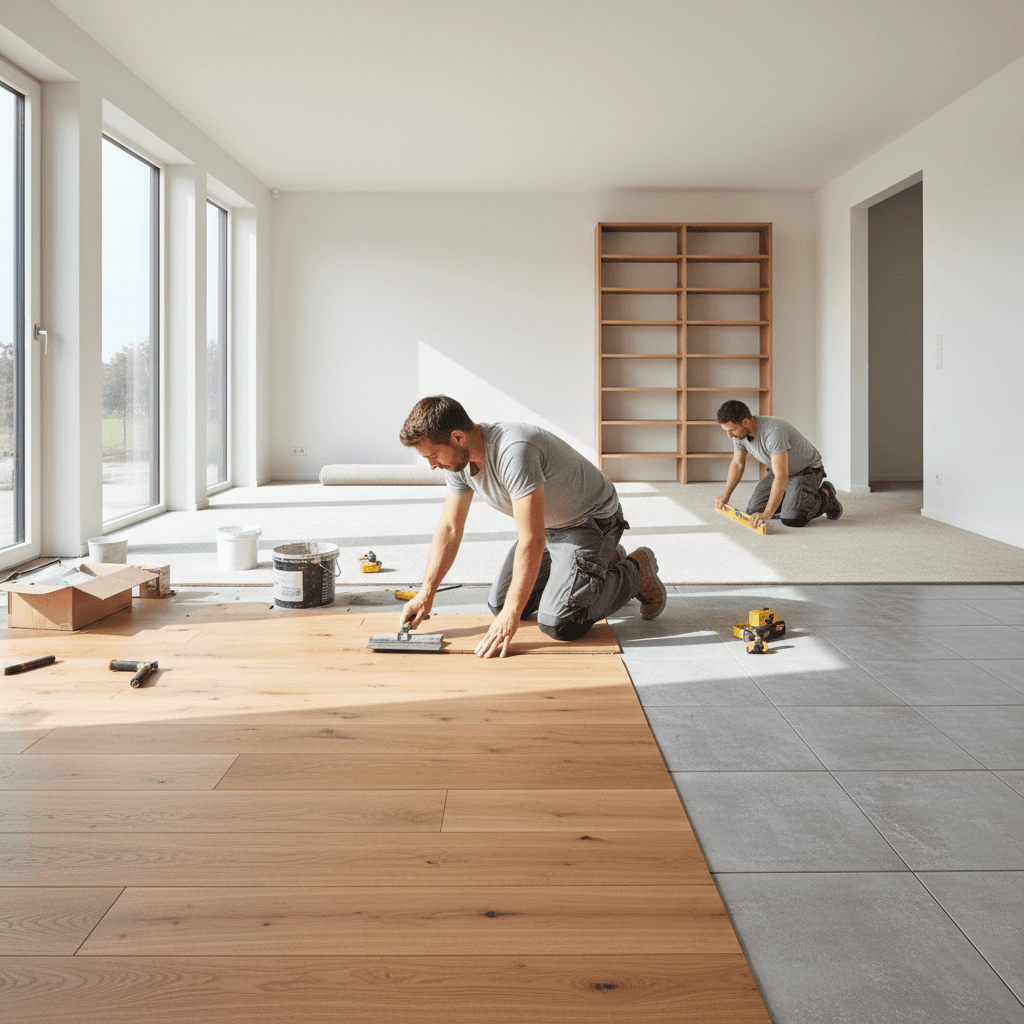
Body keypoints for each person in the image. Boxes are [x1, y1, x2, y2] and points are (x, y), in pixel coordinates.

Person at [398, 395, 667, 658]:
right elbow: (449, 529)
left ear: (458, 437)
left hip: (590, 522)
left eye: (432, 455)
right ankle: (599, 563)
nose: (432, 465)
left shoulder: (514, 450)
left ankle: (636, 570)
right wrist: (426, 592)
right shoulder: (458, 464)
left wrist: (512, 616)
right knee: (502, 604)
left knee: (560, 622)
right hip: (549, 526)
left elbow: (531, 539)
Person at [715, 400, 843, 529]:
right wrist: (725, 496)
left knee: (792, 518)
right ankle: (790, 498)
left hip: (806, 470)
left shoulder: (773, 432)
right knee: (753, 510)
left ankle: (826, 496)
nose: (729, 435)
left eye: (731, 430)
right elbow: (737, 464)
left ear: (745, 423)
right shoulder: (740, 434)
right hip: (781, 470)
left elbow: (781, 476)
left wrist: (767, 513)